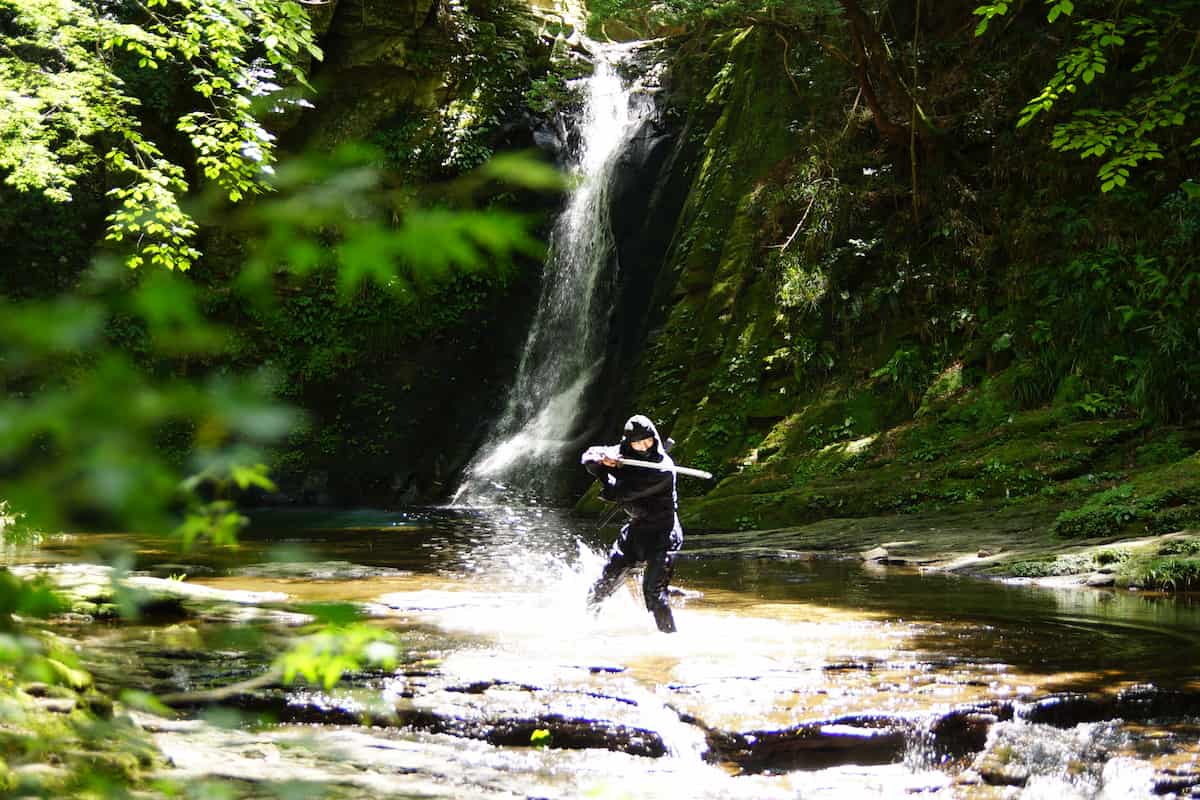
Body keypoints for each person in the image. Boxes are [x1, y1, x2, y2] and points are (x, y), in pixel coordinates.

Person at [581, 414, 682, 633]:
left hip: (664, 532)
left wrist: (606, 471)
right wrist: (601, 459)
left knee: (654, 594)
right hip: (636, 529)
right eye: (637, 442)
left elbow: (620, 492)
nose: (644, 446)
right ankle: (585, 629)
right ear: (629, 443)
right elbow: (587, 456)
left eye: (648, 440)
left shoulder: (663, 469)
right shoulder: (622, 452)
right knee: (603, 584)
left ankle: (671, 642)